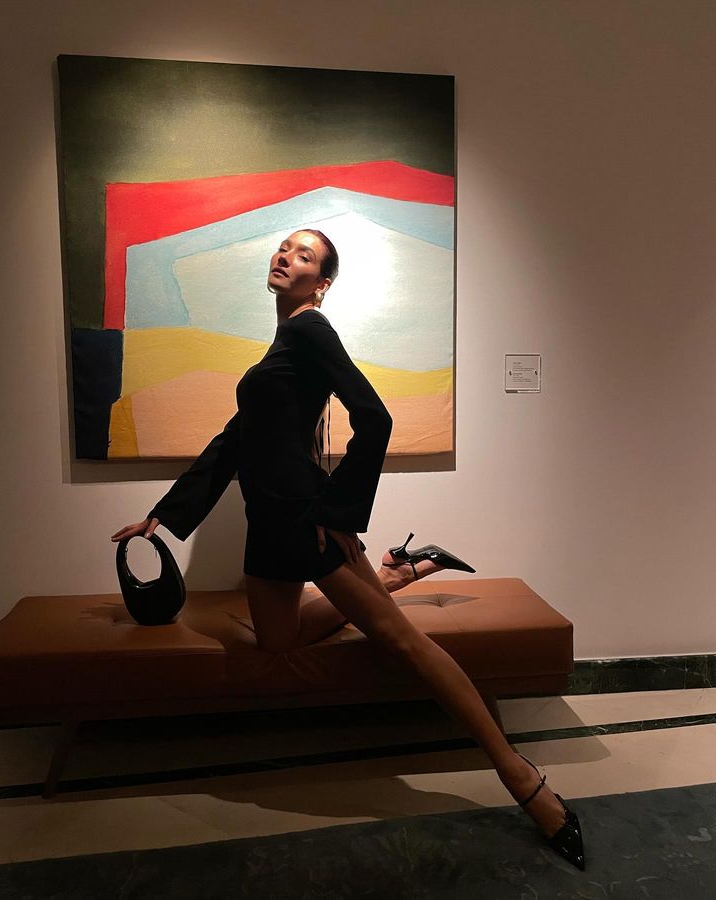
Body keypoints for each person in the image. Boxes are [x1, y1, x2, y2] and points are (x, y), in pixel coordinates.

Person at [111, 229, 585, 870]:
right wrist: (163, 517)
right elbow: (235, 440)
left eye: (304, 255)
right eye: (284, 248)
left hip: (305, 520)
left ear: (323, 282)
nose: (286, 257)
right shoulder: (282, 344)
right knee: (277, 641)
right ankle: (400, 571)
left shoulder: (311, 330)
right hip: (266, 524)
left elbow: (375, 417)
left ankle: (521, 778)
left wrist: (335, 513)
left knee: (404, 643)